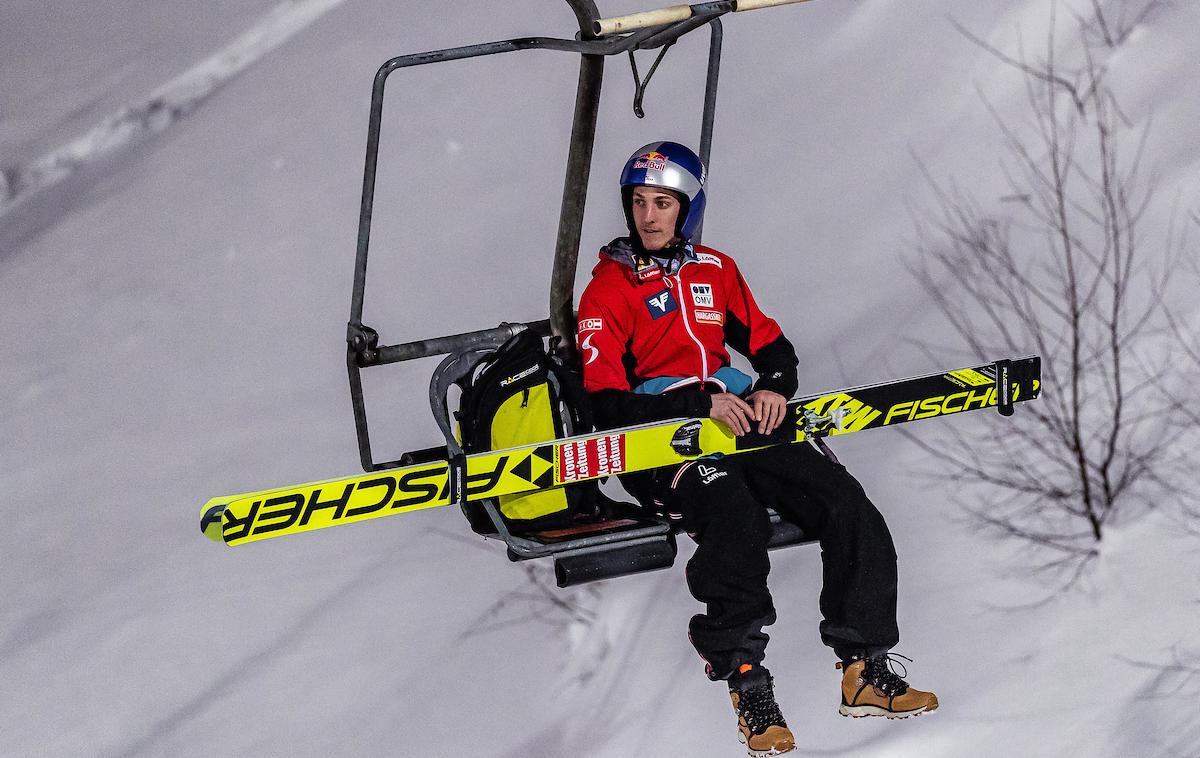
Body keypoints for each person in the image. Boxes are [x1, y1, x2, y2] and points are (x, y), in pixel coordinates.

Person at [575, 141, 938, 756]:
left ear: (687, 209)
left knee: (845, 502)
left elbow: (772, 348)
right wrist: (694, 405)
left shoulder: (714, 271)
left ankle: (865, 666)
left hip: (740, 423)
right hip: (663, 443)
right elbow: (603, 404)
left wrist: (772, 387)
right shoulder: (609, 292)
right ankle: (748, 682)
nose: (648, 217)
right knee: (734, 516)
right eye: (638, 203)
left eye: (662, 203)